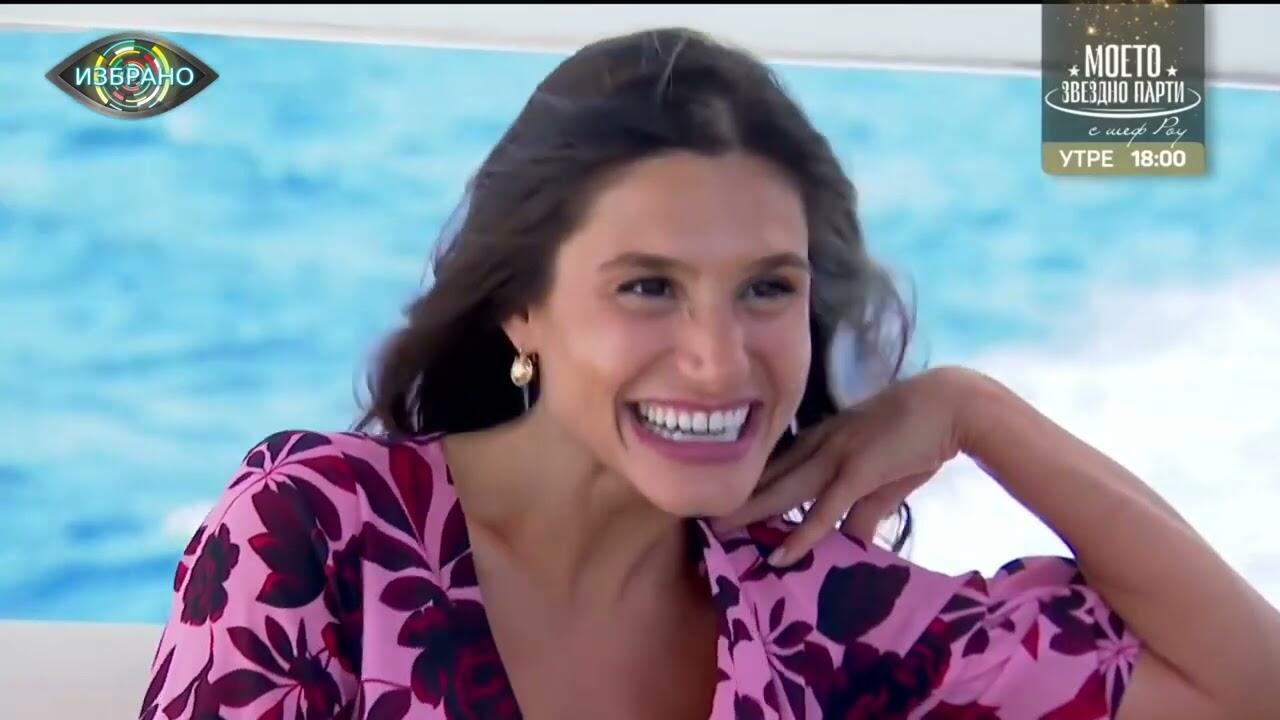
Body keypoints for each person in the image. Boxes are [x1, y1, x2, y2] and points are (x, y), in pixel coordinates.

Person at [139, 27, 1280, 720]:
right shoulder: (318, 534)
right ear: (519, 303)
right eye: (648, 286)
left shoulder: (813, 608)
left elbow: (1244, 688)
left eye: (767, 288)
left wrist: (975, 412)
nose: (718, 358)